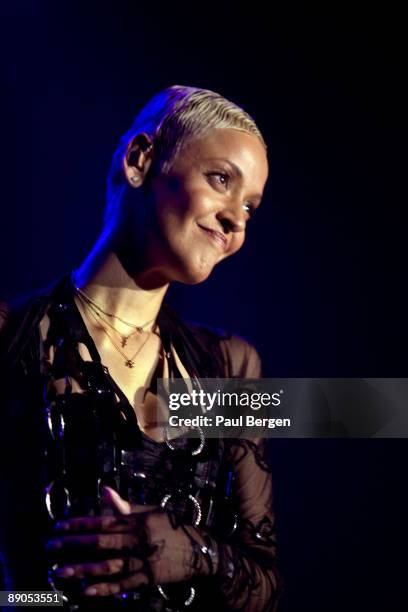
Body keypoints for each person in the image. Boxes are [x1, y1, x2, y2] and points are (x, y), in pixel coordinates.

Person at [0, 85, 281, 611]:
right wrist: (43, 599)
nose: (237, 219)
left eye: (250, 205)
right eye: (221, 180)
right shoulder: (13, 336)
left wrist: (193, 551)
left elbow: (264, 581)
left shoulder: (228, 368)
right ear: (140, 160)